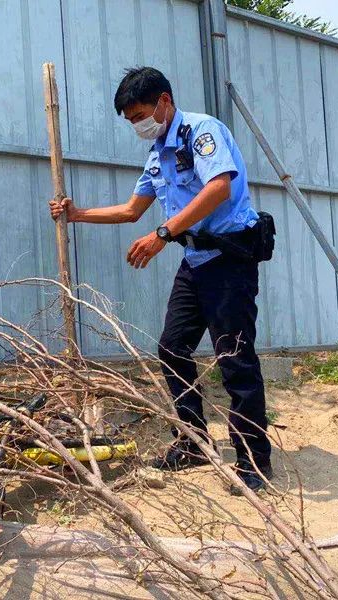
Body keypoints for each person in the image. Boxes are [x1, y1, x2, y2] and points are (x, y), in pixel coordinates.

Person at [49, 67, 273, 493]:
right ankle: (192, 443)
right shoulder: (158, 153)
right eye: (130, 120)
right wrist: (76, 214)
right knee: (172, 348)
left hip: (229, 258)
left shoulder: (201, 131)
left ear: (164, 101)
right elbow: (132, 210)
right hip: (196, 259)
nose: (137, 124)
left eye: (140, 114)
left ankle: (253, 461)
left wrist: (163, 233)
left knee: (235, 358)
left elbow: (219, 188)